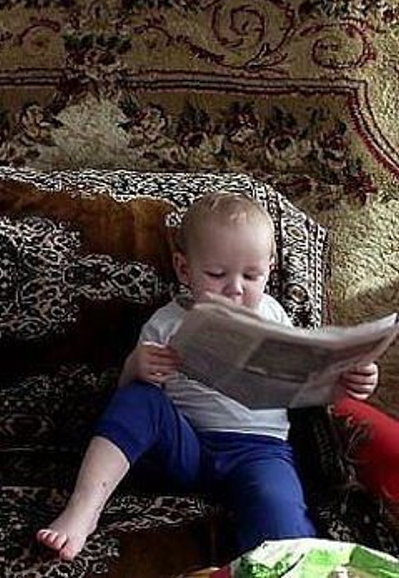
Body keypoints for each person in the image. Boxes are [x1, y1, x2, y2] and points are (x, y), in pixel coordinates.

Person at [36, 191, 380, 561]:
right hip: (187, 447)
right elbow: (126, 405)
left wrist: (344, 381)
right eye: (217, 275)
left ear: (270, 269)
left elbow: (302, 384)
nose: (235, 288)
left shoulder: (274, 314)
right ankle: (85, 509)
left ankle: (282, 560)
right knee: (139, 398)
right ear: (184, 269)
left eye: (252, 275)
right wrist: (137, 367)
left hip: (259, 452)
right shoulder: (167, 322)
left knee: (279, 515)